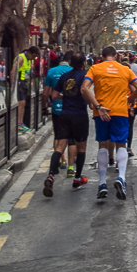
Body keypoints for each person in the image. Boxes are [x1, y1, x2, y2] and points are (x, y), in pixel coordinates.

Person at [81, 46, 137, 200]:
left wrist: (98, 106)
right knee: (121, 144)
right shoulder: (125, 70)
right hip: (120, 111)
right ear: (116, 56)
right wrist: (128, 100)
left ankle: (102, 184)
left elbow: (84, 89)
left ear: (102, 56)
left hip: (102, 112)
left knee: (102, 144)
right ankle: (121, 178)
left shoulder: (95, 68)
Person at [48, 53, 91, 194]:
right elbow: (85, 92)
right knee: (81, 147)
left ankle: (50, 175)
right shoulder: (85, 76)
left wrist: (65, 97)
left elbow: (54, 96)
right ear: (84, 63)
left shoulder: (65, 76)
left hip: (64, 114)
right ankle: (77, 177)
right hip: (79, 115)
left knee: (60, 146)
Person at [16, 46, 39, 128]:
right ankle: (19, 123)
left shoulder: (29, 60)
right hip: (19, 82)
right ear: (29, 52)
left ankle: (21, 122)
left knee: (23, 103)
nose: (33, 58)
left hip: (25, 82)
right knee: (21, 103)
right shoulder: (21, 58)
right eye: (33, 56)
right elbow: (13, 71)